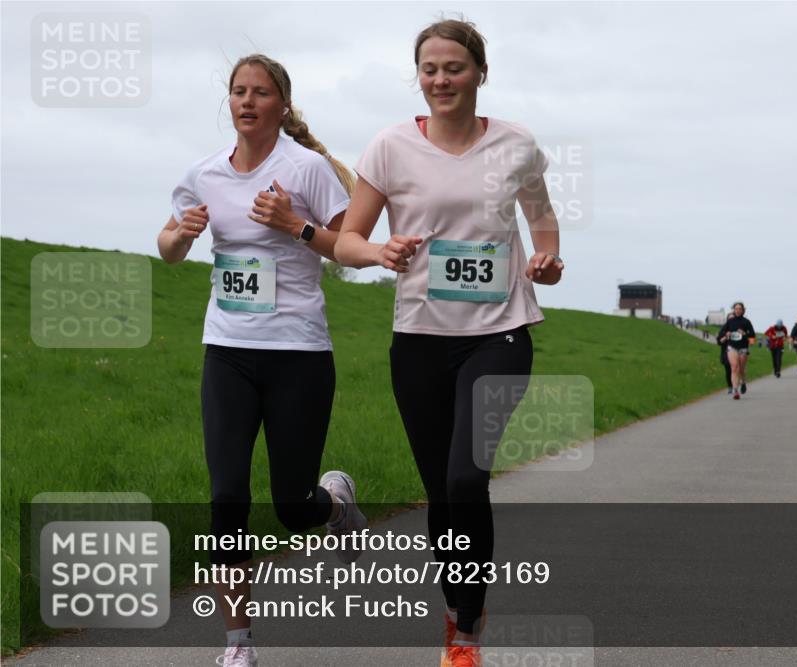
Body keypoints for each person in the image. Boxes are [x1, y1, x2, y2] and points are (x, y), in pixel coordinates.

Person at [334, 19, 563, 667]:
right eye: (429, 69)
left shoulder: (517, 145)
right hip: (419, 339)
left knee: (467, 477)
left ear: (480, 73)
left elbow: (543, 223)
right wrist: (381, 251)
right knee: (442, 491)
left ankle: (465, 633)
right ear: (419, 77)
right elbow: (348, 240)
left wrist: (546, 260)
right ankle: (460, 608)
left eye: (454, 68)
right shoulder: (390, 147)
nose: (441, 80)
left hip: (500, 334)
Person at [158, 54, 367, 667]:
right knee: (227, 498)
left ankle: (335, 503)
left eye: (260, 92)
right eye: (238, 91)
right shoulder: (204, 174)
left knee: (293, 509)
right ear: (229, 102)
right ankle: (238, 645)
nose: (247, 101)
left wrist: (294, 224)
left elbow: (349, 249)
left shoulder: (307, 169)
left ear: (283, 104)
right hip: (228, 350)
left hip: (298, 352)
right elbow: (167, 246)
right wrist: (182, 234)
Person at [718, 302, 755, 400]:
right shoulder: (730, 321)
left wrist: (744, 334)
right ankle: (735, 390)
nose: (738, 310)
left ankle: (743, 382)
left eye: (740, 309)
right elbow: (722, 332)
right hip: (732, 347)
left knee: (741, 369)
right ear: (733, 310)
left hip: (743, 348)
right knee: (734, 367)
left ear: (743, 310)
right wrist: (727, 334)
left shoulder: (746, 322)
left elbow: (752, 336)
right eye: (736, 309)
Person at [716, 312, 736, 393]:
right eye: (729, 319)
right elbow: (719, 342)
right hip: (726, 352)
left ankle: (736, 386)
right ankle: (730, 386)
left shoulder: (738, 329)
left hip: (736, 352)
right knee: (728, 371)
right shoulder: (723, 329)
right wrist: (726, 337)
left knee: (735, 369)